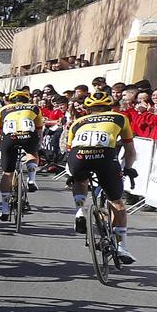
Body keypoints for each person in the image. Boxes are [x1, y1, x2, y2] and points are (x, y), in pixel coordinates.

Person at [64, 90, 138, 263]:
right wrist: (128, 168)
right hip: (105, 159)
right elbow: (130, 151)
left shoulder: (78, 121)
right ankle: (121, 247)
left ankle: (80, 211)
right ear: (110, 106)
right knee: (116, 201)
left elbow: (69, 149)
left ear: (88, 109)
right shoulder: (119, 117)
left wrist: (72, 173)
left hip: (78, 157)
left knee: (80, 180)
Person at [0, 89, 43, 222]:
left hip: (10, 138)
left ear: (11, 101)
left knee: (7, 173)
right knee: (32, 153)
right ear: (27, 100)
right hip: (28, 136)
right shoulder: (34, 107)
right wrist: (38, 144)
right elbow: (39, 131)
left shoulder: (4, 109)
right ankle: (31, 179)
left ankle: (4, 207)